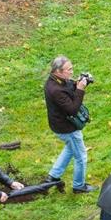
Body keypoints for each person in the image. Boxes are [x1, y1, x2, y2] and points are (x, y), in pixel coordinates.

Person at [44, 55, 96, 193]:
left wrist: (78, 83)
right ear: (58, 71)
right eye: (69, 69)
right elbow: (72, 109)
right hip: (66, 128)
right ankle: (79, 186)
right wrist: (80, 89)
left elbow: (68, 88)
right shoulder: (55, 89)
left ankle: (53, 176)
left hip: (59, 125)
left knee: (70, 149)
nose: (72, 72)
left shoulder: (56, 81)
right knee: (81, 156)